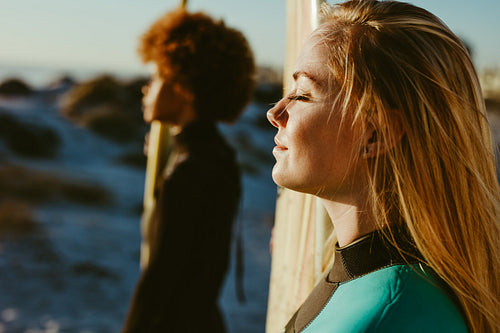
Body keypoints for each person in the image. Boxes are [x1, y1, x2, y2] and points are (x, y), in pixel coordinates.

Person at [267, 1, 500, 332]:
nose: (275, 113)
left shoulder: (390, 314)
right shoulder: (368, 280)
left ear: (375, 134)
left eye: (302, 95)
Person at [121, 7, 255, 333]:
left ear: (182, 85)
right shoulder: (216, 156)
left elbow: (161, 281)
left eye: (156, 77)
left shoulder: (190, 168)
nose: (146, 88)